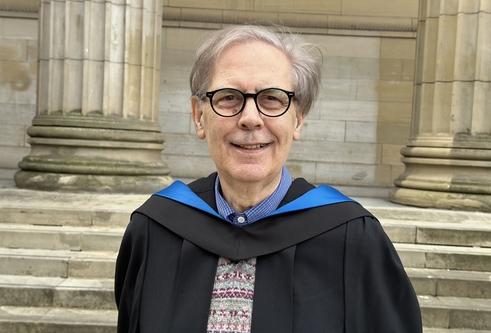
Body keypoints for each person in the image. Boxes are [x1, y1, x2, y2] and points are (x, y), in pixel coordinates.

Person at [114, 24, 422, 333]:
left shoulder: (354, 239)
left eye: (272, 98)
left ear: (298, 119)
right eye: (229, 97)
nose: (250, 118)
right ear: (199, 116)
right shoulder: (153, 230)